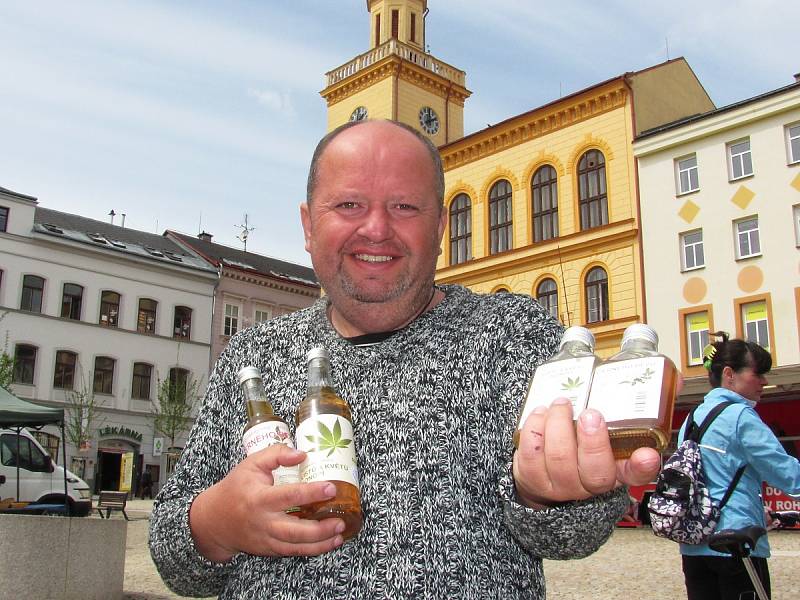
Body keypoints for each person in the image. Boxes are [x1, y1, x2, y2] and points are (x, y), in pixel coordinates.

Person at [148, 119, 659, 599]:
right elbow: (173, 555)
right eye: (348, 204)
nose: (376, 228)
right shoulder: (253, 357)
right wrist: (217, 522)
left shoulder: (513, 336)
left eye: (405, 207)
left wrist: (551, 495)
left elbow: (572, 535)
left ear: (439, 227)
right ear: (308, 226)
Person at [679, 332, 800, 600]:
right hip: (737, 544)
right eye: (758, 373)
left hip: (694, 546)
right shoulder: (741, 416)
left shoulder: (691, 419)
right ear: (730, 374)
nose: (764, 381)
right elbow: (787, 473)